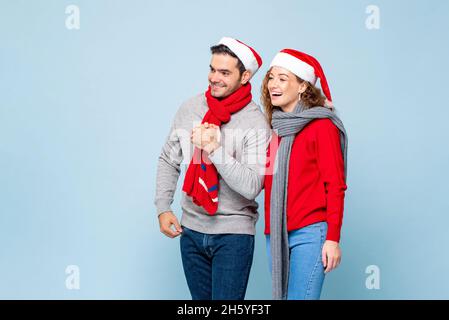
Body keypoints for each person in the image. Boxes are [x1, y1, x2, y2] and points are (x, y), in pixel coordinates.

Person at [155, 37, 271, 300]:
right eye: (212, 69)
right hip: (191, 232)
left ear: (245, 76)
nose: (214, 78)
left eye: (224, 72)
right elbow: (168, 159)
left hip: (233, 236)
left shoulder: (256, 124)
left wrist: (214, 150)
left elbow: (252, 186)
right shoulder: (190, 109)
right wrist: (163, 207)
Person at [261, 49, 348, 300]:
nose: (273, 85)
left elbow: (336, 186)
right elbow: (263, 181)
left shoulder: (322, 126)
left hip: (310, 234)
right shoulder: (274, 130)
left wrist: (332, 239)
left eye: (282, 78)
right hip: (275, 233)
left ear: (302, 86)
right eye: (271, 77)